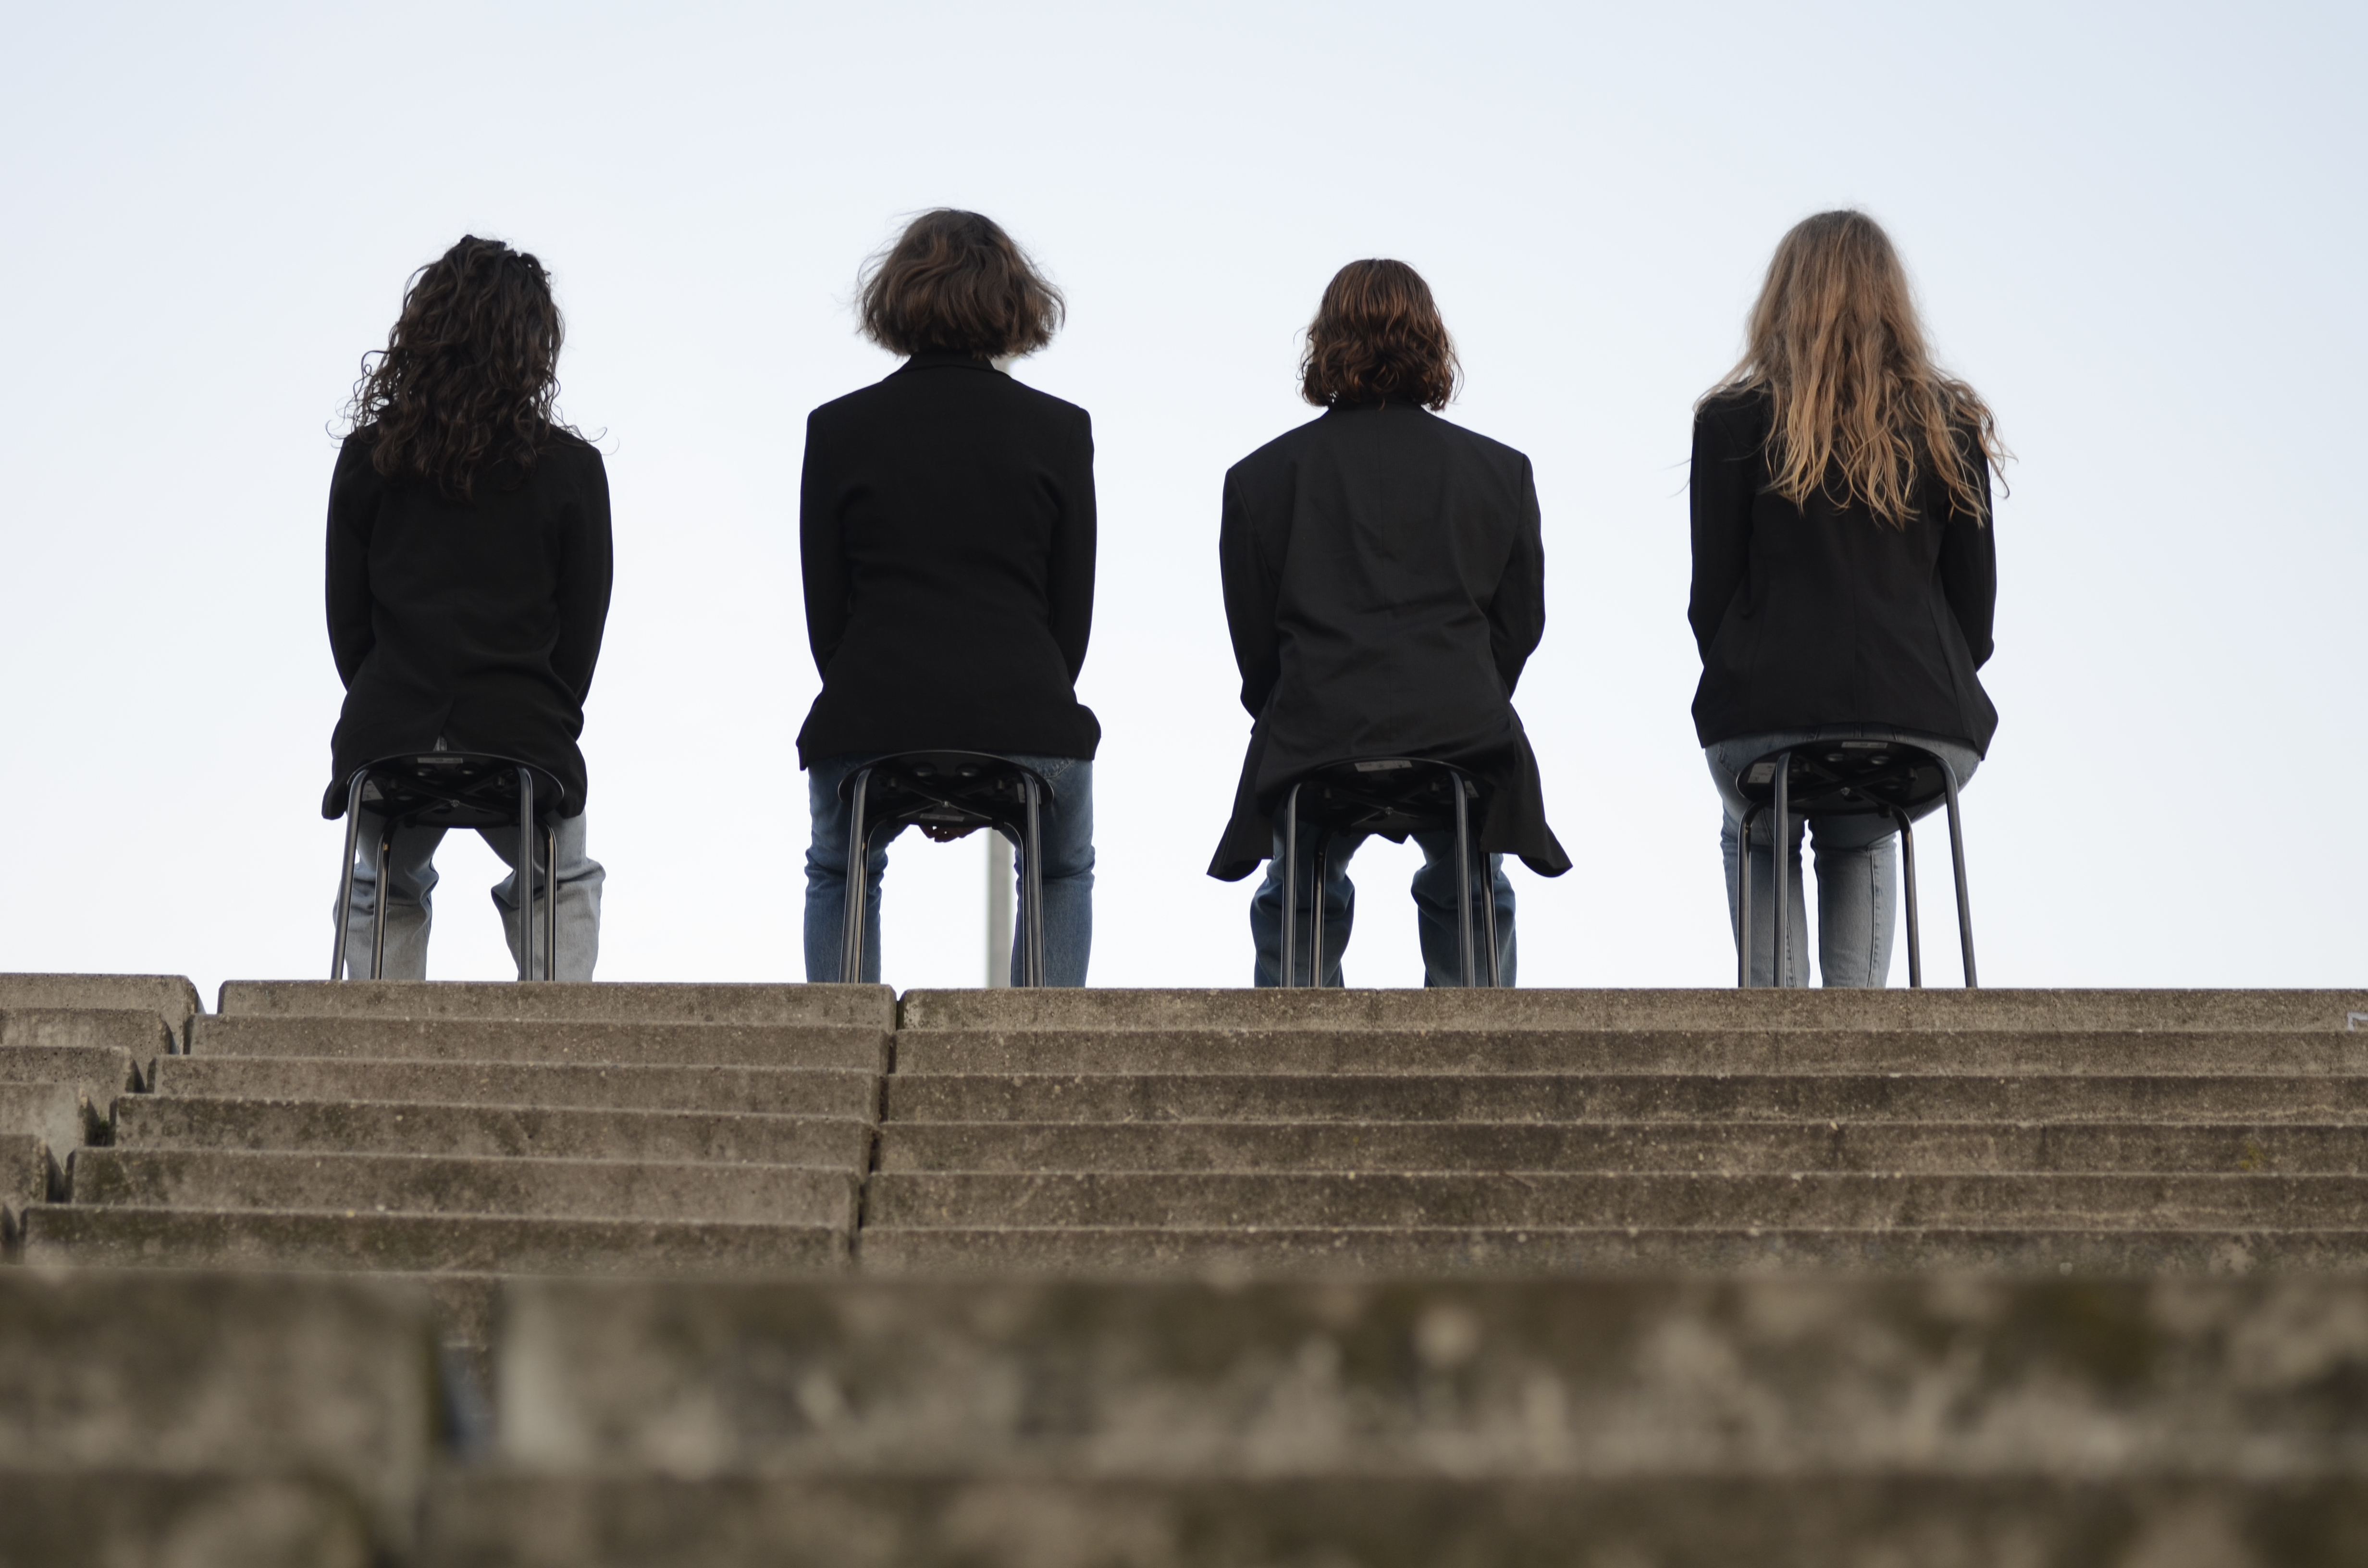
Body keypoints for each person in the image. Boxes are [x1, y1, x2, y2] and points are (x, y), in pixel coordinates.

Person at [1210, 259, 1570, 986]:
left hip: (1318, 718)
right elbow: (1520, 621)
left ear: (1324, 342)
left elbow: (1255, 642)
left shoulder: (1260, 477)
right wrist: (1465, 684)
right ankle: (1474, 1040)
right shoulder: (1500, 472)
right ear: (1432, 342)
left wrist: (1300, 698)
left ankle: (1292, 1041)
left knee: (1298, 881)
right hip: (1458, 719)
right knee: (1473, 877)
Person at [1690, 209, 2007, 987]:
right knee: (1862, 825)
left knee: (1756, 823)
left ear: (1781, 300)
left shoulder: (1732, 422)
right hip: (1926, 719)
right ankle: (1856, 1033)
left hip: (1768, 708)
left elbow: (1712, 602)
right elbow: (1975, 614)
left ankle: (1782, 1028)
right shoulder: (1950, 427)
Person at [798, 210, 1098, 986]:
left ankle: (840, 1028)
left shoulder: (837, 428)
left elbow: (826, 618)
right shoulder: (1061, 430)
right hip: (1025, 706)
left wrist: (891, 711)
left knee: (838, 866)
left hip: (871, 709)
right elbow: (1071, 618)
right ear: (1015, 302)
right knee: (1061, 870)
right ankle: (1043, 1038)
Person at [325, 235, 613, 980]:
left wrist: (402, 695)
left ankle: (374, 1031)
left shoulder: (368, 459)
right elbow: (581, 634)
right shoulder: (572, 471)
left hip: (391, 724)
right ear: (533, 345)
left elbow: (348, 626)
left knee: (381, 880)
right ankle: (559, 1033)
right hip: (521, 730)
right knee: (564, 875)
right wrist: (541, 711)